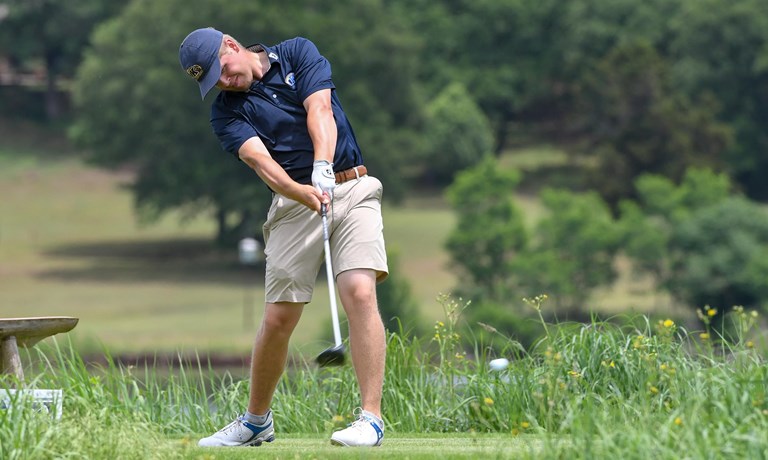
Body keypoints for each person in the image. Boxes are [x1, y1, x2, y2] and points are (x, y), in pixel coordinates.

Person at [178, 27, 388, 448]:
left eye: (223, 69)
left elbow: (320, 109)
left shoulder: (296, 53)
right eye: (212, 80)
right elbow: (261, 162)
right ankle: (256, 422)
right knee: (279, 319)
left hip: (352, 186)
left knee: (360, 292)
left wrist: (323, 165)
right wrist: (301, 191)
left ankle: (370, 419)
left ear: (232, 46)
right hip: (294, 205)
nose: (223, 81)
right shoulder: (226, 113)